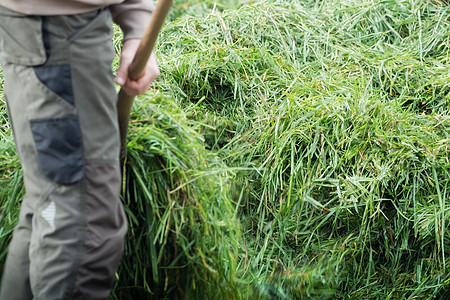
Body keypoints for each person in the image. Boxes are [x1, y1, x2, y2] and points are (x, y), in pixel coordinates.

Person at [0, 0, 160, 299]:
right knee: (82, 229)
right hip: (58, 35)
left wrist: (137, 22)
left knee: (49, 206)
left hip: (58, 30)